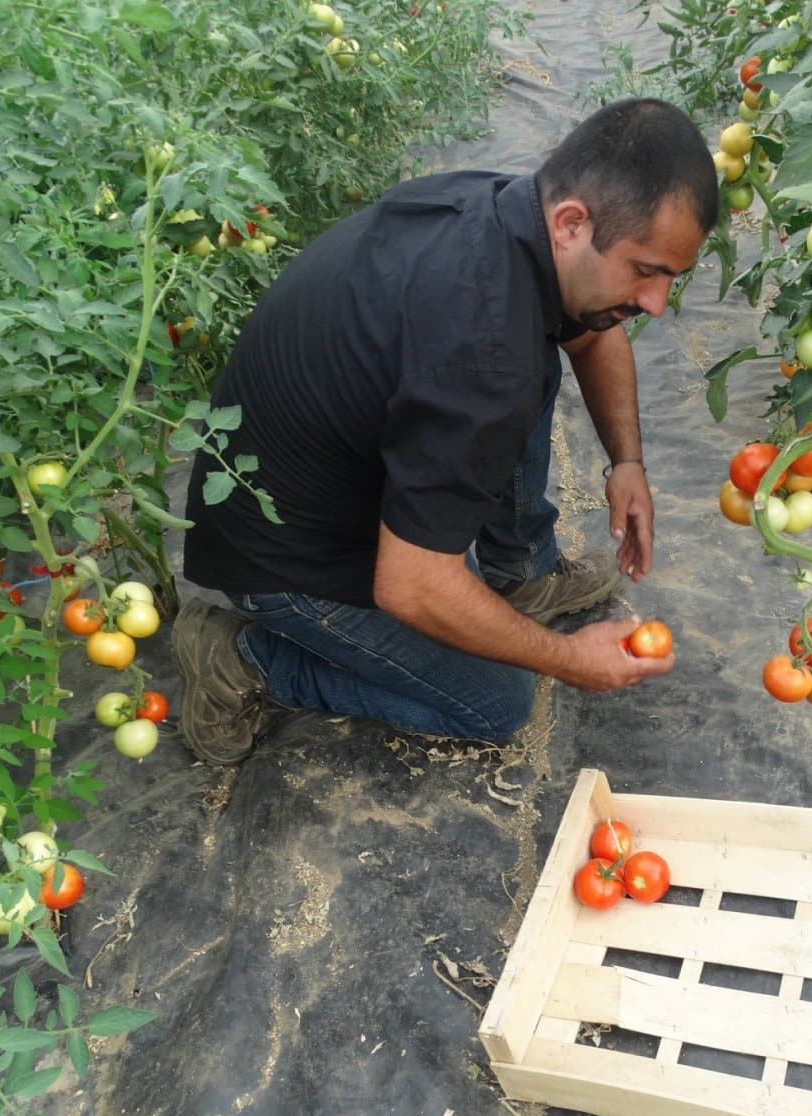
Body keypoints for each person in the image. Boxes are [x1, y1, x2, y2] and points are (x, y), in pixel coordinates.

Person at [173, 98, 719, 766]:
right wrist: (569, 657)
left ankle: (521, 572)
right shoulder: (484, 352)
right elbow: (411, 586)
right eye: (645, 271)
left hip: (302, 469)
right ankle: (242, 659)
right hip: (282, 558)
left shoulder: (508, 215)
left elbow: (588, 334)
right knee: (497, 703)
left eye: (671, 276)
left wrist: (626, 461)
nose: (657, 305)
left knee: (539, 354)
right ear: (573, 222)